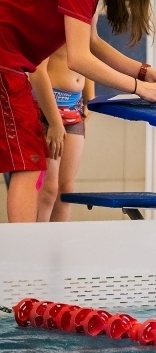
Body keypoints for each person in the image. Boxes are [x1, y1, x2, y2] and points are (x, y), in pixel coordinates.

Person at [0, 0, 156, 223]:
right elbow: (78, 59)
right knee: (28, 166)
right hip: (7, 62)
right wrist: (139, 88)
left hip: (13, 65)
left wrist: (145, 73)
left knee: (42, 174)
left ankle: (27, 249)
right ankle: (24, 251)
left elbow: (93, 42)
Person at [29, 45, 95, 222]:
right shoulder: (51, 20)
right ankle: (38, 242)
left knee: (66, 189)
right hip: (48, 111)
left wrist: (90, 99)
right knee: (48, 188)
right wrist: (54, 122)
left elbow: (86, 57)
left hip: (75, 110)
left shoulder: (85, 22)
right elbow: (37, 71)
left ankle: (58, 245)